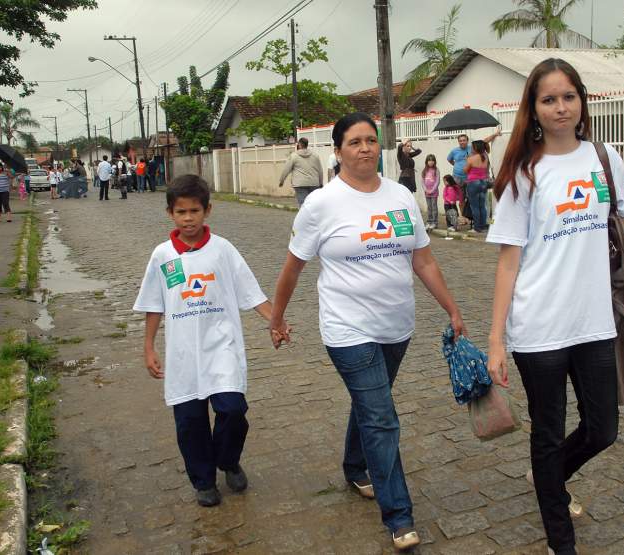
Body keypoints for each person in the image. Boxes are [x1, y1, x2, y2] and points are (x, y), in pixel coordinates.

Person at [486, 58, 624, 555]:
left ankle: (548, 479)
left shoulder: (604, 158)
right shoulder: (525, 172)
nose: (560, 107)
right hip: (539, 326)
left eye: (568, 96)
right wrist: (496, 340)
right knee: (547, 433)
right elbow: (507, 263)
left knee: (603, 427)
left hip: (594, 323)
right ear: (534, 109)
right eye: (549, 99)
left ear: (581, 100)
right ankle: (559, 540)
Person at [269, 112, 464, 552]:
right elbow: (292, 267)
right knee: (381, 415)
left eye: (371, 140)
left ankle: (356, 467)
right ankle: (399, 515)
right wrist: (276, 318)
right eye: (354, 142)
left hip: (397, 325)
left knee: (370, 404)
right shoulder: (321, 203)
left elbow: (424, 260)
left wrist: (451, 307)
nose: (365, 148)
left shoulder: (400, 196)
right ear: (337, 151)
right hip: (346, 328)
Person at [133, 174, 290, 508]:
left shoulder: (223, 250)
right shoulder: (162, 257)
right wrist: (148, 347)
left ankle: (228, 460)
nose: (188, 218)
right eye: (181, 212)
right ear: (170, 213)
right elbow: (152, 305)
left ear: (208, 210)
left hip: (222, 348)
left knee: (233, 410)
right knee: (189, 423)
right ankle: (203, 481)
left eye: (194, 211)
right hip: (183, 356)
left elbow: (251, 292)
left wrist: (275, 321)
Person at [463, 131, 501, 233]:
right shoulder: (485, 156)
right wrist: (495, 135)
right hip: (483, 182)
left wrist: (467, 160)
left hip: (473, 183)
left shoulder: (471, 158)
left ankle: (477, 228)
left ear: (476, 148)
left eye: (472, 147)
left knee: (474, 206)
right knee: (482, 206)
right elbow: (484, 142)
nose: (471, 148)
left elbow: (465, 170)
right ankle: (483, 226)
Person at [278, 137, 323, 206]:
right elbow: (320, 170)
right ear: (307, 145)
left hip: (300, 184)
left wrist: (282, 181)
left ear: (299, 145)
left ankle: (304, 216)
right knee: (313, 204)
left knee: (303, 204)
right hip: (314, 183)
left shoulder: (293, 156)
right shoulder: (315, 156)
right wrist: (321, 182)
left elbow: (286, 169)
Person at [446, 133, 471, 221]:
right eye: (460, 141)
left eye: (464, 140)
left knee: (470, 198)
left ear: (467, 141)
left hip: (469, 178)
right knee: (461, 199)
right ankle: (463, 217)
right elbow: (449, 159)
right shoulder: (454, 151)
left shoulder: (472, 149)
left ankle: (470, 217)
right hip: (457, 178)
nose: (462, 142)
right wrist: (456, 165)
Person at [421, 154, 440, 230]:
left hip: (434, 193)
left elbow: (437, 181)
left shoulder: (436, 170)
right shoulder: (424, 170)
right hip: (427, 193)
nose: (431, 162)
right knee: (429, 207)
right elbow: (422, 181)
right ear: (426, 161)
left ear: (434, 161)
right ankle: (429, 221)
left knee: (434, 207)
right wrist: (426, 189)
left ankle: (435, 222)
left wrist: (432, 190)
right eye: (429, 160)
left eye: (432, 160)